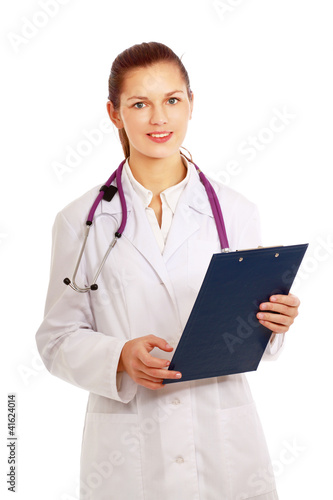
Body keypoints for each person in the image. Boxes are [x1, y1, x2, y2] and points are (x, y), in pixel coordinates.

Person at [36, 41, 300, 500]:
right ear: (115, 114)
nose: (159, 119)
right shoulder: (80, 220)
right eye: (140, 104)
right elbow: (56, 339)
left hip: (223, 444)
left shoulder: (236, 212)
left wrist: (276, 323)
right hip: (128, 454)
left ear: (191, 105)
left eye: (172, 101)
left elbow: (252, 330)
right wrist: (118, 356)